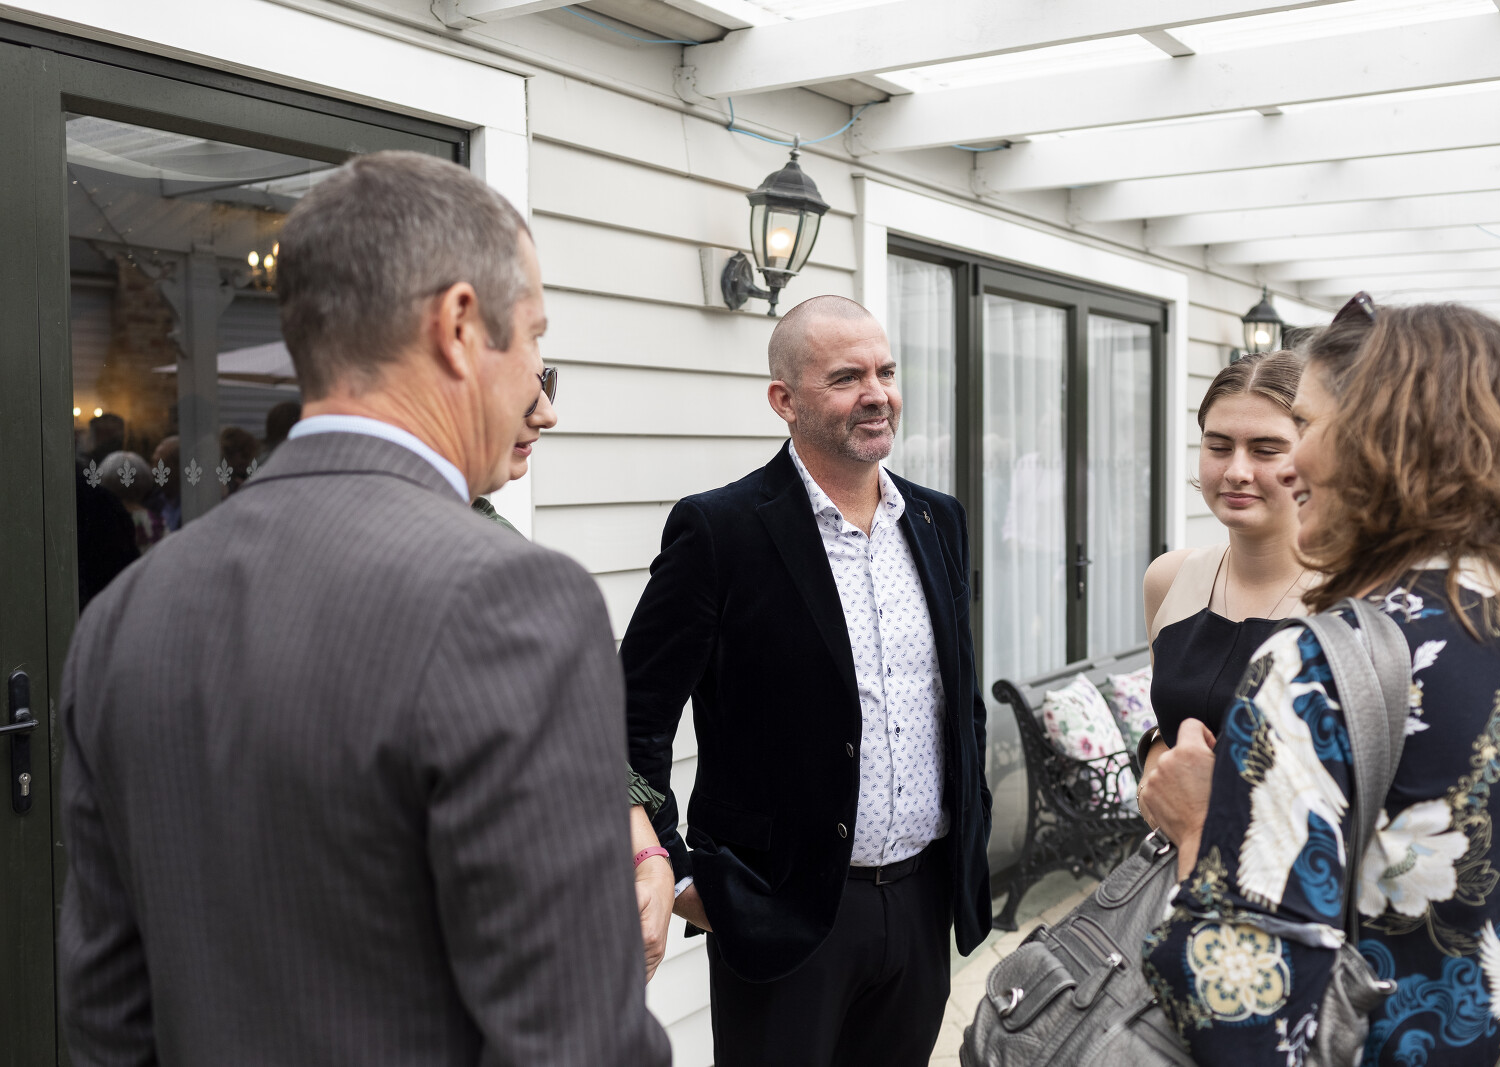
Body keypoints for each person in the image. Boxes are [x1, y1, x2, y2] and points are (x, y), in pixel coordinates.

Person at [57, 150, 670, 1066]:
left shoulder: (125, 613)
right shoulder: (513, 601)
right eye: (534, 339)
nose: (542, 397)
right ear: (459, 326)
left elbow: (106, 1020)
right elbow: (577, 1041)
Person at [1141, 299, 1500, 1064]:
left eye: (1306, 425)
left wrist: (1196, 828)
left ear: (1383, 443)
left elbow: (1242, 1020)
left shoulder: (1319, 665)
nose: (1291, 464)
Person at [622, 295, 992, 1067]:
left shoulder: (938, 521)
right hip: (782, 916)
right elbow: (631, 716)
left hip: (920, 904)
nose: (877, 393)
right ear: (784, 400)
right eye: (847, 377)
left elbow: (959, 705)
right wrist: (677, 870)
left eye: (886, 371)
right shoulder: (720, 530)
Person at [471, 371, 678, 982]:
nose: (547, 413)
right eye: (526, 381)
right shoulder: (485, 568)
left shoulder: (497, 539)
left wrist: (649, 854)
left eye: (548, 381)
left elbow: (573, 729)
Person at [1136, 351, 1309, 823]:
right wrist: (1154, 759)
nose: (1236, 471)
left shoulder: (1356, 600)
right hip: (1177, 860)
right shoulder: (1170, 579)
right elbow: (1173, 722)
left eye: (1266, 450)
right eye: (1218, 446)